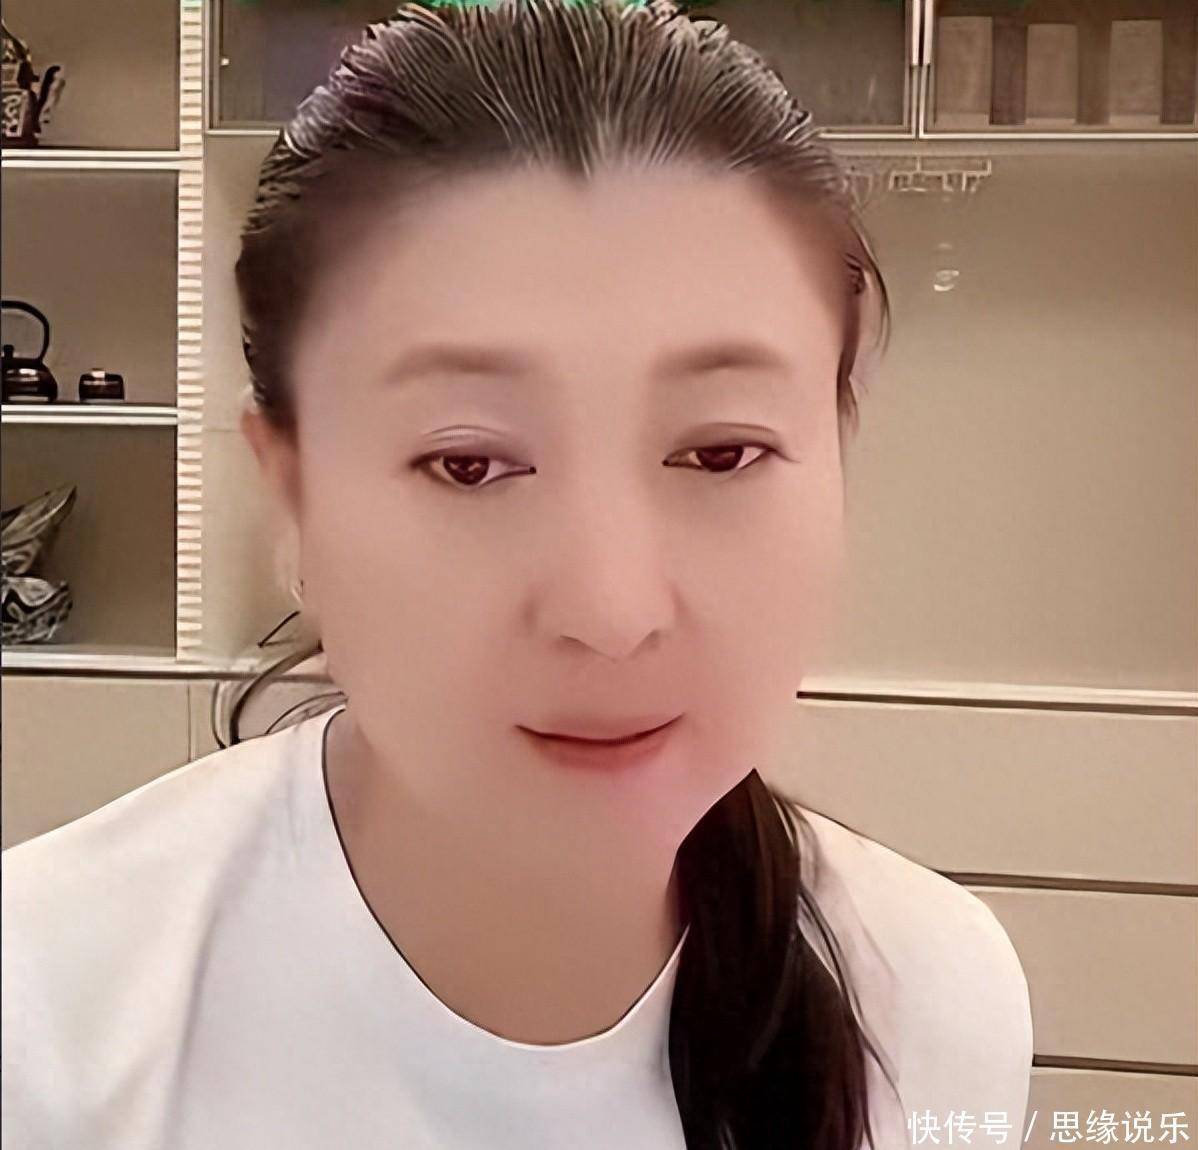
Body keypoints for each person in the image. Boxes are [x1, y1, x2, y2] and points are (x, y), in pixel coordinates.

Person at [0, 1, 1034, 1147]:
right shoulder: (43, 1016)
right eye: (471, 464)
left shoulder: (924, 996)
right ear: (292, 496)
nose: (611, 611)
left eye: (720, 452)